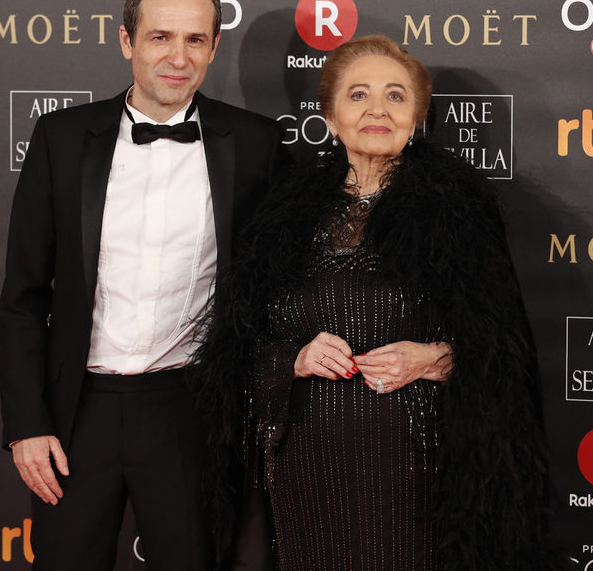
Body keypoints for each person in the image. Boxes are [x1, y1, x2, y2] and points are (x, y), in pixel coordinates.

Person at [195, 35, 562, 571]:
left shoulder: (458, 210)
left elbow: (502, 350)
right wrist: (293, 359)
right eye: (358, 94)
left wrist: (434, 358)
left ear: (417, 116)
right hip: (305, 467)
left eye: (395, 96)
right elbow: (238, 348)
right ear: (330, 113)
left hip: (416, 470)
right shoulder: (283, 213)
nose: (376, 110)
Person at [0, 0, 283, 571]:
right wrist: (27, 425)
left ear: (212, 47)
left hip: (191, 410)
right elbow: (23, 297)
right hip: (76, 413)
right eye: (160, 37)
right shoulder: (61, 138)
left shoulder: (256, 145)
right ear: (127, 40)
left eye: (195, 40)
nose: (178, 57)